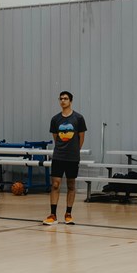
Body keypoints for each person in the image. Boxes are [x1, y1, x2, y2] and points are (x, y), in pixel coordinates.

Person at [44, 91, 87, 225]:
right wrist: (62, 149)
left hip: (72, 157)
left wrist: (74, 151)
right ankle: (53, 215)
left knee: (71, 185)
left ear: (70, 101)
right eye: (61, 99)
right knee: (55, 184)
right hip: (58, 156)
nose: (63, 101)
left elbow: (81, 138)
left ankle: (68, 214)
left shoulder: (78, 118)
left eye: (66, 98)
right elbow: (56, 138)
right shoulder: (55, 119)